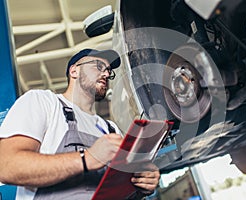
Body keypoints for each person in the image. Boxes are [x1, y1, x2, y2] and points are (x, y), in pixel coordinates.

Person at [0, 48, 160, 199]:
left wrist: (141, 184)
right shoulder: (43, 102)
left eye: (108, 71)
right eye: (99, 66)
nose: (106, 73)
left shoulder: (111, 129)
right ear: (74, 71)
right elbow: (6, 165)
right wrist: (87, 158)